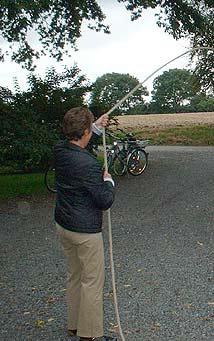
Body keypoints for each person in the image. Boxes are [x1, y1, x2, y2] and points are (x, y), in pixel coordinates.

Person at [54, 107, 117, 341]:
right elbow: (104, 200)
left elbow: (77, 148)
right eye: (90, 129)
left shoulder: (60, 150)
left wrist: (96, 127)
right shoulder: (89, 165)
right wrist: (109, 182)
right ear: (85, 131)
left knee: (75, 275)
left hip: (64, 226)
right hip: (85, 232)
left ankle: (74, 325)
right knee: (91, 282)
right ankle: (89, 335)